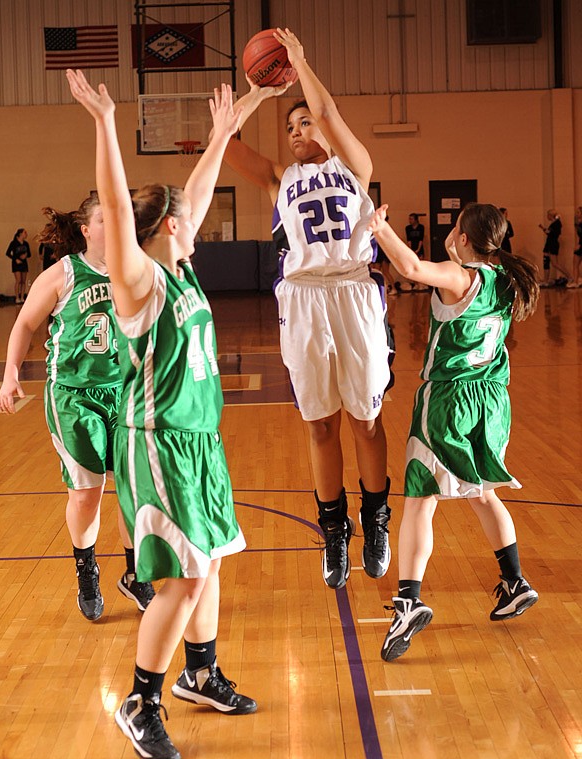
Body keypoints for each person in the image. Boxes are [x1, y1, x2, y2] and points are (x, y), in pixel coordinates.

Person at [66, 68, 256, 759]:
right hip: (156, 445)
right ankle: (140, 700)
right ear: (170, 226)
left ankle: (200, 674)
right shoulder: (138, 281)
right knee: (181, 577)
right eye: (189, 213)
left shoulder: (180, 268)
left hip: (200, 443)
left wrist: (222, 134)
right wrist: (105, 122)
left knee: (208, 568)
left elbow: (193, 193)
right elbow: (119, 211)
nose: (199, 216)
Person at [224, 28, 393, 590]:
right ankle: (335, 529)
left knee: (365, 420)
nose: (297, 131)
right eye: (290, 127)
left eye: (305, 124)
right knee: (320, 424)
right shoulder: (279, 179)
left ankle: (376, 518)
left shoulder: (354, 165)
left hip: (353, 291)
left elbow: (326, 106)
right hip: (301, 300)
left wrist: (298, 60)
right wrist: (259, 93)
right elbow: (224, 143)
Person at [368, 202, 540, 662]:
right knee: (482, 493)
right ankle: (514, 580)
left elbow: (408, 266)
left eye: (455, 228)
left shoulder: (460, 276)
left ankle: (407, 602)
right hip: (492, 401)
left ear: (463, 238)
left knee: (420, 501)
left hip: (449, 401)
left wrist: (378, 227)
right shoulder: (506, 279)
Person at [0, 196, 155, 620]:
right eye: (106, 219)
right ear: (86, 229)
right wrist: (12, 373)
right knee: (88, 494)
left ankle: (136, 575)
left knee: (131, 490)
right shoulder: (64, 273)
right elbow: (25, 323)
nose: (116, 225)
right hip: (73, 395)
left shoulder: (135, 268)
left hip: (123, 392)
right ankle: (86, 569)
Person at [539, 209, 571, 286]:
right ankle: (546, 280)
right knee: (546, 261)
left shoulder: (557, 223)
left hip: (553, 244)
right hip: (549, 243)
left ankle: (569, 276)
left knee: (555, 263)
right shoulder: (553, 223)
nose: (547, 217)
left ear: (550, 215)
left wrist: (543, 228)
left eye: (548, 215)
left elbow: (550, 232)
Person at [6, 228, 31, 304]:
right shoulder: (13, 243)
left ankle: (22, 297)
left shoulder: (26, 244)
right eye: (25, 232)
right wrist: (15, 259)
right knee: (18, 280)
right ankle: (17, 297)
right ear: (20, 234)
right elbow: (7, 253)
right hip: (16, 263)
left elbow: (29, 254)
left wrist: (25, 255)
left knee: (23, 281)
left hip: (24, 263)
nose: (26, 234)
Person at [568, 206, 582, 288]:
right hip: (580, 244)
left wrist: (579, 245)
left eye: (578, 212)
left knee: (575, 263)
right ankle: (577, 279)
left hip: (581, 245)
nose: (576, 214)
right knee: (576, 263)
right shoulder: (578, 223)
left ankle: (576, 281)